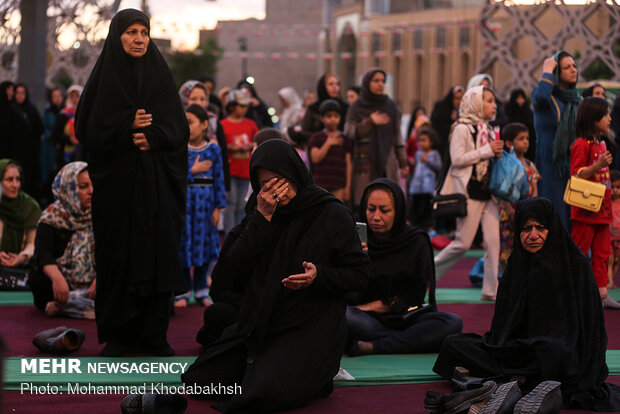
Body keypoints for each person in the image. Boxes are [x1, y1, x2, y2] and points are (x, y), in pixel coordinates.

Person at [181, 139, 369, 413]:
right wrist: (262, 218)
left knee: (262, 394)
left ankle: (315, 376)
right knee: (199, 382)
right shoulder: (263, 213)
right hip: (262, 323)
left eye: (279, 179)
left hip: (309, 326)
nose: (275, 189)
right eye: (266, 183)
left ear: (294, 172)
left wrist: (319, 276)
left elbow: (359, 275)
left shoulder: (331, 212)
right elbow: (232, 270)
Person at [433, 197, 620, 412]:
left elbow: (591, 333)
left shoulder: (575, 265)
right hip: (517, 352)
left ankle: (506, 383)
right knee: (453, 345)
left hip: (557, 351)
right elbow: (501, 329)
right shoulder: (517, 265)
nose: (533, 235)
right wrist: (510, 348)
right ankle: (518, 382)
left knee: (555, 356)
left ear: (552, 228)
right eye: (526, 228)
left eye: (540, 228)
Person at [75, 8, 188, 357]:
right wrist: (127, 126)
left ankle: (154, 335)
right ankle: (119, 336)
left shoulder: (160, 76)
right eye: (131, 32)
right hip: (117, 191)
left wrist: (151, 136)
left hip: (155, 189)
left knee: (156, 255)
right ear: (117, 35)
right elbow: (87, 130)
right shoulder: (105, 79)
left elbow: (178, 129)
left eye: (144, 32)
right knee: (118, 257)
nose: (139, 39)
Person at [346, 178, 462, 355]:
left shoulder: (416, 241)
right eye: (371, 209)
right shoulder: (353, 238)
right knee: (344, 315)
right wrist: (354, 259)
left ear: (398, 211)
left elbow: (414, 296)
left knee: (452, 322)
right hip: (364, 319)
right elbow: (347, 289)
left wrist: (367, 307)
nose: (376, 217)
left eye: (384, 210)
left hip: (405, 316)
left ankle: (376, 345)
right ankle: (408, 341)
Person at [434, 86, 504, 301]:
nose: (494, 106)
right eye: (489, 101)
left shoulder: (490, 129)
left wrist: (498, 154)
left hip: (489, 193)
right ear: (475, 102)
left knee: (493, 243)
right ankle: (425, 275)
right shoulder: (461, 128)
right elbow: (457, 159)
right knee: (462, 244)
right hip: (469, 192)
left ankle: (492, 290)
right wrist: (488, 150)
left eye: (494, 101)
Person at [28, 161, 95, 319]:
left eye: (92, 185)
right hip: (62, 281)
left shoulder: (100, 214)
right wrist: (57, 279)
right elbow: (43, 254)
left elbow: (110, 254)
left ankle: (65, 307)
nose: (91, 191)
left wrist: (101, 279)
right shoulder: (52, 217)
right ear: (68, 188)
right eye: (83, 186)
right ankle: (79, 305)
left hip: (93, 284)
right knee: (39, 280)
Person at [570, 97, 620, 309]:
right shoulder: (581, 144)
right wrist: (596, 165)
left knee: (602, 254)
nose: (610, 119)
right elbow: (576, 174)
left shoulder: (601, 143)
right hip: (585, 210)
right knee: (579, 252)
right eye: (606, 115)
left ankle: (601, 294)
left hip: (603, 210)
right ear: (593, 119)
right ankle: (572, 292)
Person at [176, 104, 226, 308]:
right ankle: (183, 290)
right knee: (184, 246)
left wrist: (217, 208)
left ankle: (202, 288)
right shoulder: (179, 149)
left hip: (206, 206)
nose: (187, 127)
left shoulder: (214, 149)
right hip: (186, 205)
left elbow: (219, 180)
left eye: (191, 122)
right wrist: (193, 170)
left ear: (204, 124)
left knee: (204, 246)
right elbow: (174, 176)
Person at [532, 50, 581, 229]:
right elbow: (540, 96)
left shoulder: (576, 100)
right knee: (554, 214)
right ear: (557, 73)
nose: (573, 70)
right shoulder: (545, 99)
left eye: (574, 66)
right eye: (566, 67)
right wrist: (547, 69)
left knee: (573, 218)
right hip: (550, 163)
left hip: (574, 164)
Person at [345, 68, 407, 206]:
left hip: (387, 161)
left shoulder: (390, 106)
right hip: (365, 164)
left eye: (383, 81)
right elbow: (349, 132)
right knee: (365, 203)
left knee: (388, 201)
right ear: (367, 83)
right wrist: (370, 122)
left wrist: (403, 162)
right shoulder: (357, 107)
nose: (380, 84)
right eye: (376, 81)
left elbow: (398, 137)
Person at [498, 123, 540, 274]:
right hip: (509, 213)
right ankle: (504, 280)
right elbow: (501, 189)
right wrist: (509, 209)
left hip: (527, 213)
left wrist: (534, 209)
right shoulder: (505, 164)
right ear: (509, 143)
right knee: (506, 249)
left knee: (526, 245)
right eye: (521, 138)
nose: (526, 142)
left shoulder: (530, 165)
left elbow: (534, 189)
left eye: (527, 138)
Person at [178, 80, 230, 192]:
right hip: (184, 184)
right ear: (184, 99)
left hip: (210, 185)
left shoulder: (213, 121)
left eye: (203, 99)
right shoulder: (177, 122)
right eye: (193, 98)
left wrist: (225, 187)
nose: (198, 103)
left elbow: (223, 155)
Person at [221, 89, 259, 233]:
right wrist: (229, 147)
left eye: (246, 106)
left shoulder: (251, 124)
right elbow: (218, 146)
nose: (245, 109)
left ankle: (239, 234)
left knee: (242, 205)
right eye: (242, 106)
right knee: (231, 204)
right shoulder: (223, 124)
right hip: (230, 170)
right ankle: (230, 233)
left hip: (246, 170)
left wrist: (251, 145)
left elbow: (257, 142)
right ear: (232, 106)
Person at [308, 99, 352, 202]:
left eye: (336, 116)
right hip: (320, 185)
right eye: (329, 116)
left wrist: (348, 187)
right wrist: (328, 143)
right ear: (322, 118)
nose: (333, 119)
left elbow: (348, 164)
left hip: (339, 185)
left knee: (336, 213)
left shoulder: (344, 139)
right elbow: (315, 159)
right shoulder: (317, 138)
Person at [0, 159, 41, 269]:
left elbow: (32, 244)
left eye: (18, 179)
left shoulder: (29, 206)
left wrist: (20, 258)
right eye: (9, 180)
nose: (15, 185)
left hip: (21, 267)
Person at [12, 83, 44, 199]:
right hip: (16, 152)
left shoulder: (31, 109)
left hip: (30, 153)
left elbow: (39, 128)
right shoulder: (11, 109)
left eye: (22, 93)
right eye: (17, 93)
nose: (20, 96)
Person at [300, 73, 349, 145]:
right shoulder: (313, 108)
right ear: (323, 87)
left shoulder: (345, 107)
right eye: (331, 84)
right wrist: (321, 140)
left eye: (337, 84)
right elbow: (305, 131)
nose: (335, 87)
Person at [408, 128, 442, 231]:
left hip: (428, 187)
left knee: (426, 209)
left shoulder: (434, 154)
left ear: (431, 142)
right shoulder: (418, 154)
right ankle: (416, 228)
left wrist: (428, 162)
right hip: (416, 187)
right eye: (419, 140)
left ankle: (427, 228)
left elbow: (439, 168)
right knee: (416, 209)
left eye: (424, 140)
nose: (421, 143)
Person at [51, 85, 83, 167]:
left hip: (82, 154)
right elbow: (55, 135)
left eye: (77, 96)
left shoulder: (84, 114)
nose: (74, 99)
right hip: (65, 156)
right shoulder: (64, 115)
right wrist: (69, 138)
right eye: (72, 96)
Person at [430, 85, 464, 159]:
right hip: (440, 147)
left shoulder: (463, 112)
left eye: (461, 99)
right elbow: (437, 127)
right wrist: (451, 120)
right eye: (456, 98)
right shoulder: (441, 108)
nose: (459, 102)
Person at [505, 89, 536, 162]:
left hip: (529, 149)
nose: (520, 100)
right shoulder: (509, 112)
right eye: (518, 98)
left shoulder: (529, 114)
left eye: (522, 98)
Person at [41, 88, 64, 187]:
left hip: (63, 146)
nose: (57, 99)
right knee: (49, 170)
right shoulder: (47, 113)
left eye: (59, 96)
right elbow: (43, 128)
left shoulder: (66, 112)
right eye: (54, 96)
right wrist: (53, 137)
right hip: (49, 145)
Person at [0, 81, 17, 159]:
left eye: (12, 90)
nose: (11, 92)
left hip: (11, 145)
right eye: (8, 89)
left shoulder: (14, 107)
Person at [609, 170, 620, 289]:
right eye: (612, 187)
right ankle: (610, 281)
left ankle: (612, 281)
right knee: (609, 260)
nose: (615, 190)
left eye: (618, 187)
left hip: (619, 238)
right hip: (608, 236)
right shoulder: (607, 202)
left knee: (617, 260)